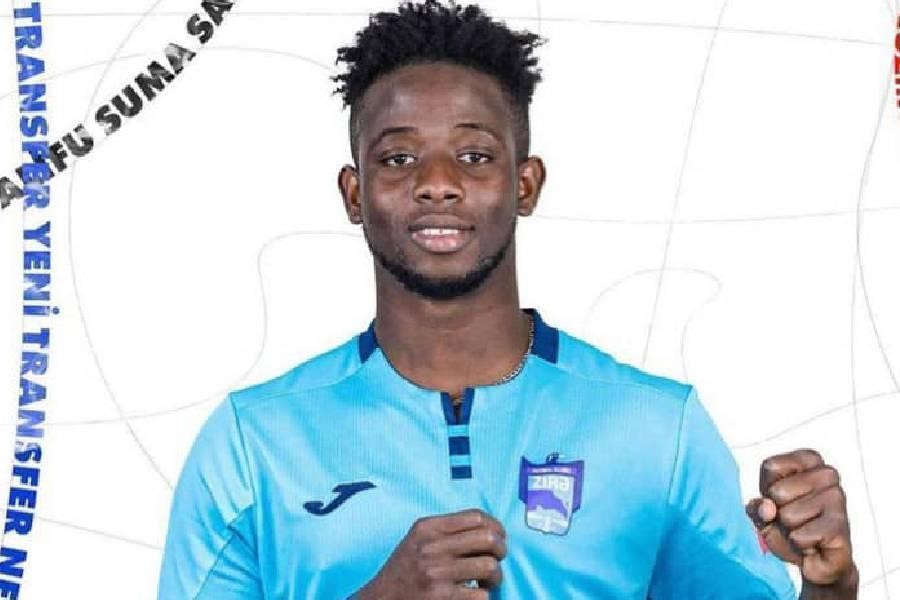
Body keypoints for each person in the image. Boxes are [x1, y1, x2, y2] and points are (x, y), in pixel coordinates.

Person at [157, 2, 858, 598]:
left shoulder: (657, 429)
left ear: (526, 184)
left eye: (474, 155)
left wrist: (829, 588)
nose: (437, 182)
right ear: (354, 193)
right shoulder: (253, 443)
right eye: (398, 158)